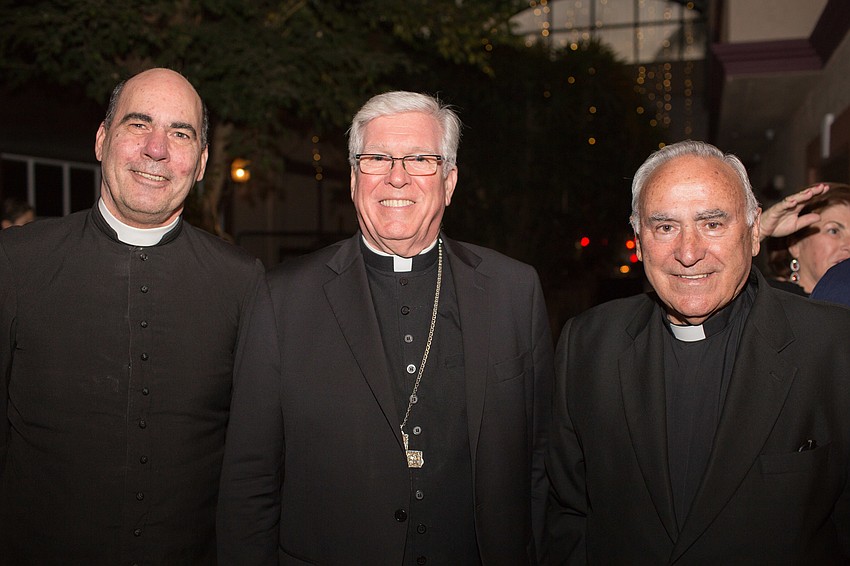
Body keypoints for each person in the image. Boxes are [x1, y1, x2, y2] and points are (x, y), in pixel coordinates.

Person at [217, 91, 554, 565]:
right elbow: (250, 481)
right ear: (355, 179)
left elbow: (539, 464)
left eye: (420, 158)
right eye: (376, 158)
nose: (397, 176)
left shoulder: (514, 291)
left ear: (449, 181)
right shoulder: (282, 298)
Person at [0, 68, 267, 564]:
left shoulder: (243, 282)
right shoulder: (15, 262)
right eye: (138, 125)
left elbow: (254, 464)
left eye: (180, 133)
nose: (157, 150)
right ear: (102, 140)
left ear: (203, 161)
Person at [545, 140, 850, 563]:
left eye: (712, 224)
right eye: (665, 227)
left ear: (754, 229)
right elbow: (567, 511)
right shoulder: (588, 344)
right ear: (639, 237)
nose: (688, 254)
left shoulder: (833, 344)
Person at [764, 183, 850, 295]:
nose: (848, 245)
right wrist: (759, 230)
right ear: (795, 245)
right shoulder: (763, 297)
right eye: (833, 231)